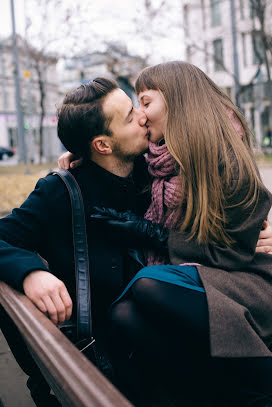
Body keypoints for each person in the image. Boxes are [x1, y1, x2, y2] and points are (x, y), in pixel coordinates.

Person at [82, 62, 272, 406]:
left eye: (146, 102)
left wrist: (155, 235)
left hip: (243, 283)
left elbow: (230, 254)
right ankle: (222, 394)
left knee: (148, 283)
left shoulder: (227, 161)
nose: (141, 115)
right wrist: (85, 152)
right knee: (123, 315)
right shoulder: (158, 160)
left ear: (177, 101)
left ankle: (261, 380)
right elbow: (114, 149)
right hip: (196, 283)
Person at [0, 78, 152, 407]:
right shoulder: (61, 192)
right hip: (98, 370)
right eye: (129, 116)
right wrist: (30, 272)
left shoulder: (157, 173)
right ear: (103, 145)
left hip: (158, 359)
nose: (142, 116)